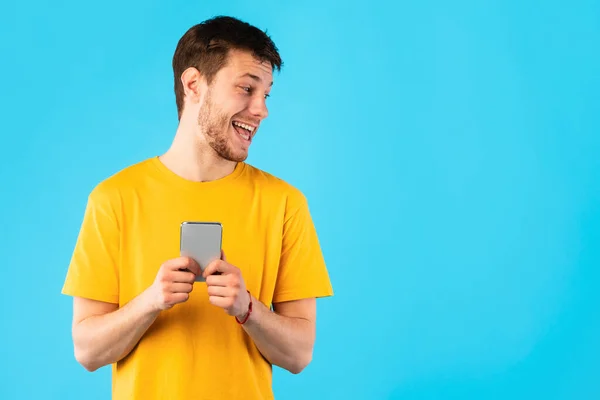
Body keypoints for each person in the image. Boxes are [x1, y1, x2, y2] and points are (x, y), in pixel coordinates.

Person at [61, 15, 334, 400]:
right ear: (194, 84)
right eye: (246, 89)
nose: (262, 110)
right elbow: (87, 351)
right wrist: (150, 302)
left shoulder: (285, 203)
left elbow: (299, 354)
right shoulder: (114, 199)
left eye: (266, 94)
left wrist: (247, 309)